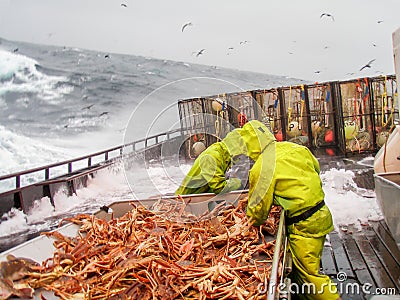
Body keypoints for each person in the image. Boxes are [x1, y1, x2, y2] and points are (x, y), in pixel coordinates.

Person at [176, 119, 340, 299]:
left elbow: (258, 211)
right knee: (301, 272)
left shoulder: (262, 167)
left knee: (310, 276)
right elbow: (315, 169)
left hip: (304, 225)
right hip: (322, 213)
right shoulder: (297, 148)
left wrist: (246, 224)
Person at [175, 128, 246, 195]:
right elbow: (218, 187)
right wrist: (238, 183)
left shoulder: (222, 154)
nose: (239, 158)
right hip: (186, 200)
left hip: (199, 195)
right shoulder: (211, 157)